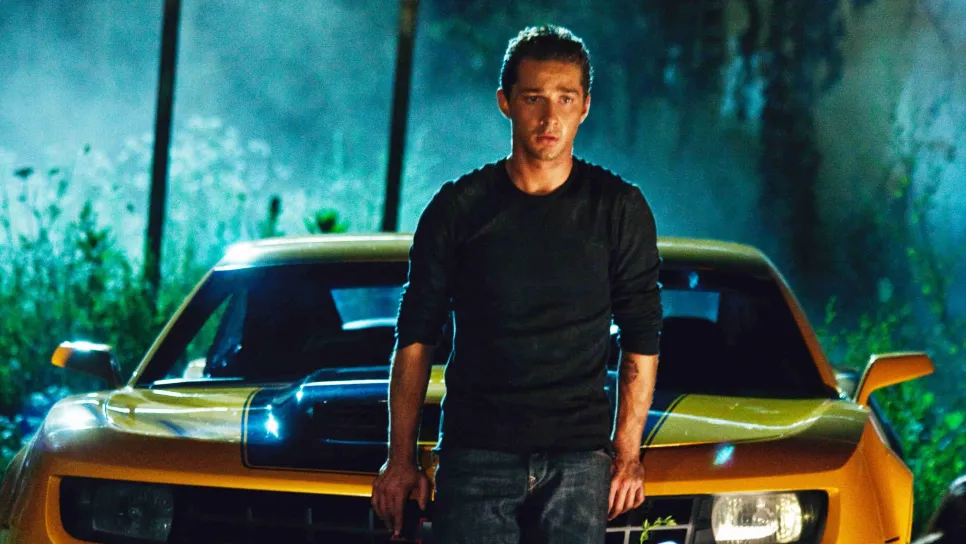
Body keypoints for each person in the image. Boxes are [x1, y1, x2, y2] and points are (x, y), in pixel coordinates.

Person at [371, 24, 662, 544]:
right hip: (476, 450)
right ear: (505, 102)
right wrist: (400, 459)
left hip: (579, 455)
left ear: (585, 106)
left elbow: (641, 335)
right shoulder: (458, 208)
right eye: (533, 98)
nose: (550, 118)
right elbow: (415, 335)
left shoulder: (618, 208)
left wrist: (627, 455)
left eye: (565, 99)